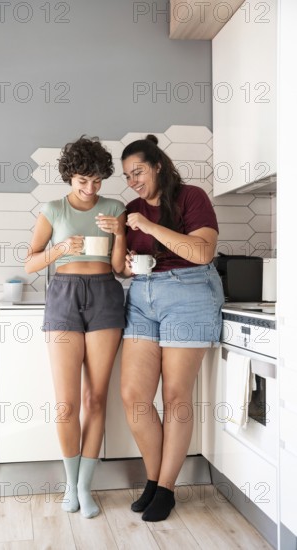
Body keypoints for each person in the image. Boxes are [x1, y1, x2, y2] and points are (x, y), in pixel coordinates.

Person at [120, 134, 224, 522]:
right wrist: (127, 264)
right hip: (143, 296)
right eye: (128, 176)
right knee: (134, 397)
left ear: (158, 165)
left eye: (139, 171)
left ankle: (166, 487)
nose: (133, 181)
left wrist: (148, 224)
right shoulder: (129, 208)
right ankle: (153, 478)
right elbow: (122, 264)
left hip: (190, 292)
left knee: (177, 396)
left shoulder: (191, 197)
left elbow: (202, 252)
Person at [25, 136, 126, 518]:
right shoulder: (52, 209)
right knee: (67, 404)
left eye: (97, 181)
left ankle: (86, 487)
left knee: (95, 400)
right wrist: (60, 250)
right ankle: (70, 484)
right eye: (83, 180)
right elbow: (31, 263)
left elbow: (118, 268)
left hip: (105, 295)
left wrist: (117, 232)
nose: (90, 189)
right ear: (70, 176)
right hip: (64, 295)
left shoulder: (115, 208)